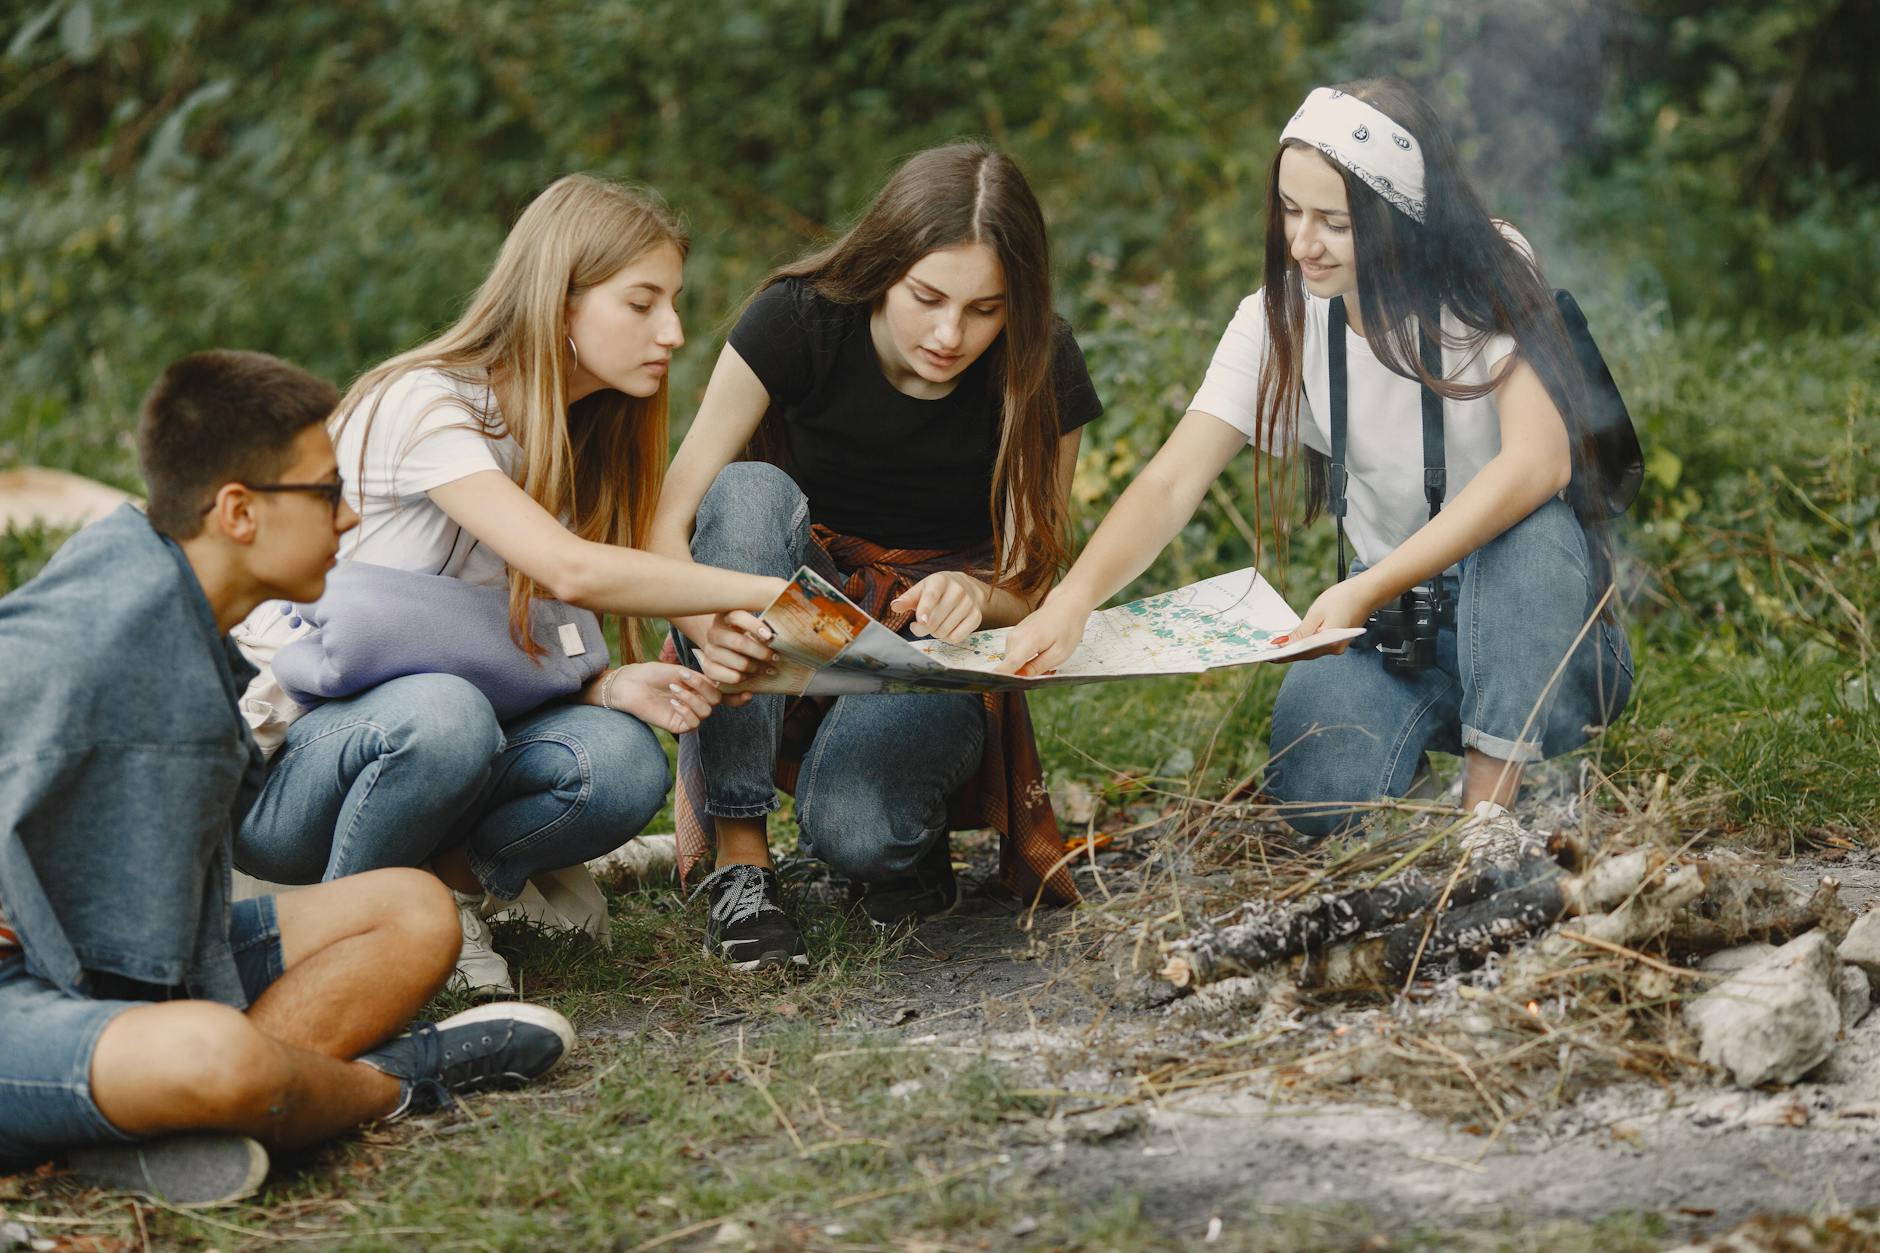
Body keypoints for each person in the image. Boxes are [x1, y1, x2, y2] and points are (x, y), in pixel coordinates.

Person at [0, 350, 575, 1205]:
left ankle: (196, 1115)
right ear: (238, 511)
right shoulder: (126, 641)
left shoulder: (159, 578)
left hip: (93, 952)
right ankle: (392, 1082)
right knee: (211, 1056)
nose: (348, 519)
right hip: (30, 987)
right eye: (326, 492)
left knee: (411, 909)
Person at [1000, 78, 1633, 848]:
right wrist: (1073, 599)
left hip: (1544, 625)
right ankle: (1433, 798)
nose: (1303, 243)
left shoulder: (1486, 269)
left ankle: (1487, 819)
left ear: (1401, 217)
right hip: (1403, 626)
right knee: (1316, 791)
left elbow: (1539, 463)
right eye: (1291, 213)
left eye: (1334, 221)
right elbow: (1171, 481)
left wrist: (1366, 583)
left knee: (1529, 536)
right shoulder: (1282, 316)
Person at [231, 175, 787, 996]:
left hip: (444, 741)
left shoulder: (568, 439)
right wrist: (760, 591)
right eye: (642, 303)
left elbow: (508, 629)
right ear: (559, 301)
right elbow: (566, 569)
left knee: (622, 761)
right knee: (444, 713)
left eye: (674, 301)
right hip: (293, 766)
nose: (671, 331)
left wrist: (606, 681)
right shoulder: (425, 403)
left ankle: (450, 897)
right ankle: (352, 936)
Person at [648, 142, 1105, 969]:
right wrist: (698, 619)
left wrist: (976, 591)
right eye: (926, 297)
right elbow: (669, 519)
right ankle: (742, 863)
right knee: (747, 490)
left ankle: (902, 845)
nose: (949, 333)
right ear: (882, 267)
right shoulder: (797, 320)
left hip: (919, 650)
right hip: (786, 615)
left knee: (857, 835)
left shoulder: (1042, 364)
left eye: (986, 310)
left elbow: (1033, 577)